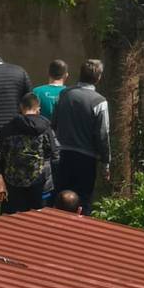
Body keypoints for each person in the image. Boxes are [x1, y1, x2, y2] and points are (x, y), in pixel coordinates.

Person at [51, 59, 110, 215]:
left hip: (62, 154)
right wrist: (106, 162)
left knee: (60, 199)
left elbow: (54, 123)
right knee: (83, 201)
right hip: (86, 158)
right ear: (98, 78)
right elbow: (102, 135)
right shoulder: (99, 101)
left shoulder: (64, 94)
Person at [0, 93, 60, 213]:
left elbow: (0, 153)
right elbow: (54, 152)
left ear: (21, 107)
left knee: (17, 216)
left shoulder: (9, 127)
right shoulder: (45, 127)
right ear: (38, 109)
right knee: (39, 214)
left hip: (14, 181)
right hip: (40, 180)